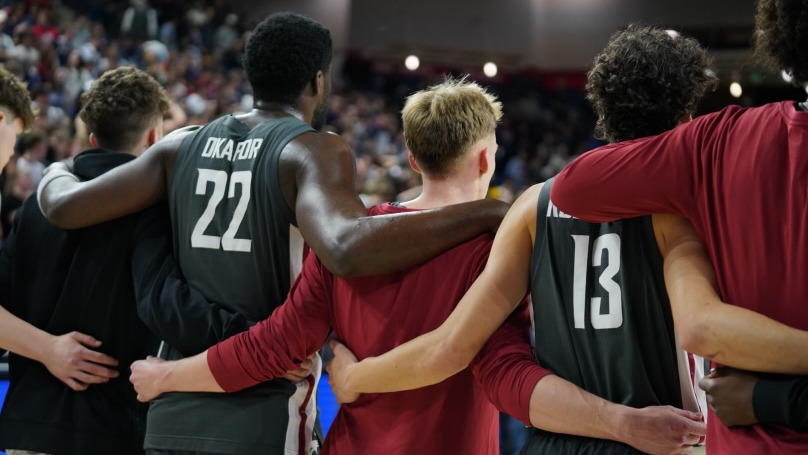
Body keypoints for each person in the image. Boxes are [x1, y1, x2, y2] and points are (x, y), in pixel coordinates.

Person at [323, 25, 808, 455]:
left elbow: (451, 347)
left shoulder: (531, 205)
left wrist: (354, 377)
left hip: (556, 441)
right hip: (665, 439)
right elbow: (707, 328)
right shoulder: (681, 213)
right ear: (684, 119)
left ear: (601, 109)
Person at [37, 13, 506, 455]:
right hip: (263, 409)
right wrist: (485, 215)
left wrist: (56, 168)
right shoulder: (310, 150)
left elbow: (62, 207)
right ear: (317, 81)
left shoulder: (179, 145)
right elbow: (346, 246)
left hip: (171, 410)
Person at [127, 77, 544, 455]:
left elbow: (271, 346)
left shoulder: (351, 237)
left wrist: (167, 376)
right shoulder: (497, 247)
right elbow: (503, 365)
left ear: (413, 160)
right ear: (486, 160)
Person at [549, 2, 808, 453]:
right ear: (684, 109)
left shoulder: (717, 143)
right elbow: (699, 328)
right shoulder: (705, 151)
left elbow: (571, 187)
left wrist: (771, 399)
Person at [0, 66, 166, 455]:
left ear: (91, 137)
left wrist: (46, 348)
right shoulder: (158, 212)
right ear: (155, 136)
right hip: (114, 426)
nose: (9, 152)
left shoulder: (34, 207)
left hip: (31, 425)